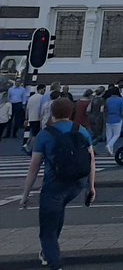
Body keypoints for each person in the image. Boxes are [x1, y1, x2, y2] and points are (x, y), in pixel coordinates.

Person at [19, 97, 96, 270]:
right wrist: (91, 187)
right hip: (76, 184)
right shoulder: (81, 130)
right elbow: (91, 160)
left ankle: (54, 263)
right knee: (57, 217)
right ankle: (48, 252)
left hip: (54, 186)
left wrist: (25, 195)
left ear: (52, 112)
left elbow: (34, 168)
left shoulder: (45, 134)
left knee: (47, 230)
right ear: (71, 112)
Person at [103, 86, 123, 155]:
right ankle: (109, 145)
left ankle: (110, 151)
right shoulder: (120, 100)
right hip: (117, 118)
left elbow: (105, 109)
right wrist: (122, 116)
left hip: (108, 118)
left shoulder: (108, 100)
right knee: (116, 134)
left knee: (109, 135)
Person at [23, 84, 47, 153]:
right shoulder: (42, 98)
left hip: (31, 118)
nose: (44, 91)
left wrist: (26, 118)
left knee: (32, 133)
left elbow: (27, 108)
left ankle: (26, 145)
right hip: (37, 118)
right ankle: (31, 148)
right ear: (41, 89)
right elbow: (42, 108)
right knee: (35, 135)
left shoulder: (31, 98)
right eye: (44, 89)